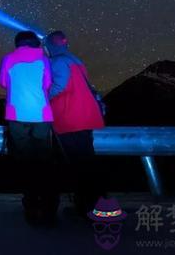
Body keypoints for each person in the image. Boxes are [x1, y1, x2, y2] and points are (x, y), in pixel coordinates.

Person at [0, 30, 58, 225]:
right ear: (34, 42)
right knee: (44, 162)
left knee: (26, 162)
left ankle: (31, 207)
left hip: (16, 115)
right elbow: (48, 83)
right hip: (41, 115)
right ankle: (49, 208)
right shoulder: (44, 59)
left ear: (17, 43)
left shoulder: (8, 59)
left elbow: (3, 83)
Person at [45, 30, 105, 216]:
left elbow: (59, 86)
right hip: (85, 117)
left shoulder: (58, 62)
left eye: (46, 46)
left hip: (69, 118)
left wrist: (42, 98)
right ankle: (94, 205)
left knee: (77, 165)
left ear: (50, 46)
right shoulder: (76, 61)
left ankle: (87, 208)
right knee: (86, 162)